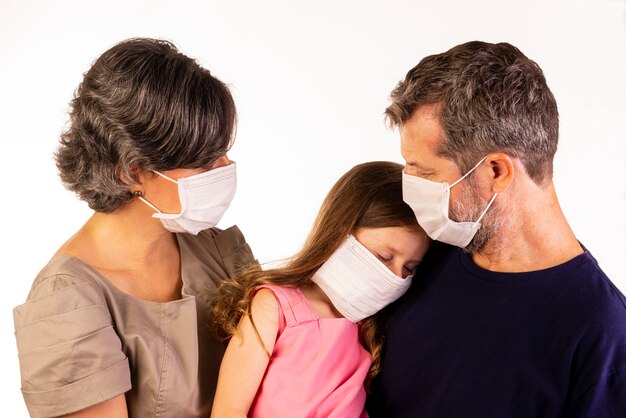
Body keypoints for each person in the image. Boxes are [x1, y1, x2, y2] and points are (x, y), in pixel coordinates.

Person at [366, 41, 626, 417]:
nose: (410, 188)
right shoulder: (418, 257)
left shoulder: (601, 336)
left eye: (424, 172)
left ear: (496, 171)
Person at [12, 38, 257, 417]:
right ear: (131, 172)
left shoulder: (216, 251)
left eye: (224, 151)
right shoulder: (63, 301)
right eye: (205, 162)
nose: (226, 169)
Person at [208, 161, 430, 418]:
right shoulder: (274, 306)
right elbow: (229, 409)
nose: (394, 277)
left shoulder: (370, 331)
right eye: (383, 256)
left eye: (409, 269)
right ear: (339, 232)